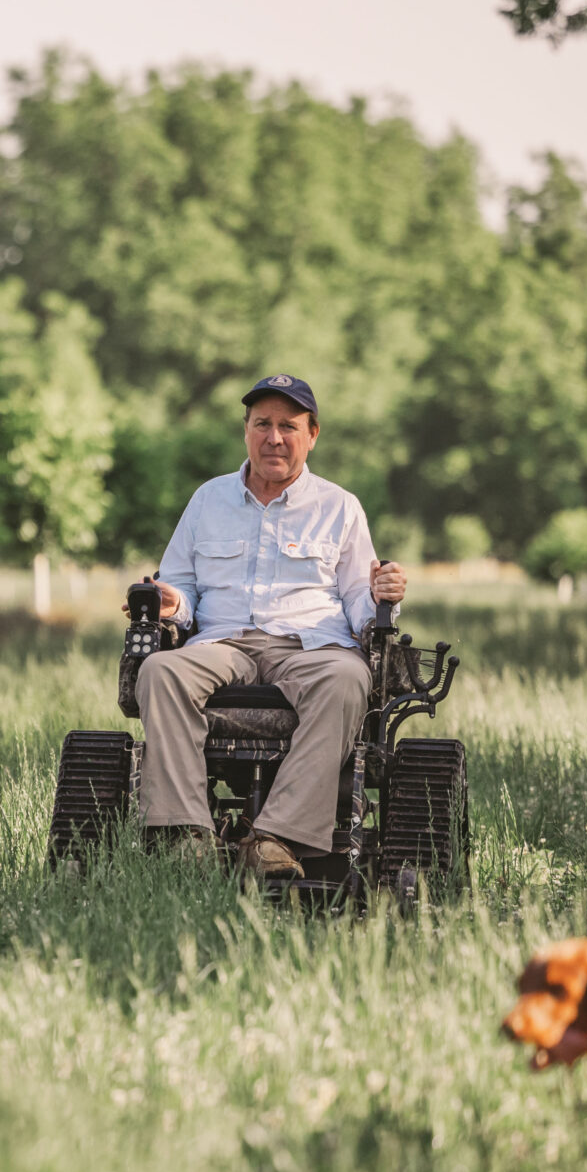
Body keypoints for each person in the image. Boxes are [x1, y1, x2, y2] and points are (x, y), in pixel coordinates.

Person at [134, 374, 408, 877]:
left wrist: (379, 597)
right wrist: (172, 604)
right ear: (246, 430)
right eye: (262, 424)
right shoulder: (208, 500)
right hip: (223, 642)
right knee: (160, 670)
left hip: (311, 646)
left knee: (347, 677)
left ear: (312, 435)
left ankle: (274, 840)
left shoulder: (339, 506)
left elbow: (357, 598)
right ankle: (189, 837)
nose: (274, 438)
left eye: (288, 426)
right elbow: (182, 588)